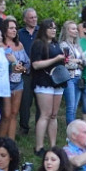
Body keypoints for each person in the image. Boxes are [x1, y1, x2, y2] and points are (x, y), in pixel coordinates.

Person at [30, 19, 68, 154]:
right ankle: (39, 147)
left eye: (55, 28)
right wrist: (56, 59)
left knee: (53, 115)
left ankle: (53, 146)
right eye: (50, 28)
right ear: (44, 29)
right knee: (45, 114)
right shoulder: (38, 44)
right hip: (43, 81)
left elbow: (60, 60)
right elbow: (35, 64)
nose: (53, 30)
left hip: (58, 81)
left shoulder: (56, 44)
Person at [0, 18, 29, 140]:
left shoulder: (19, 45)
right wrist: (11, 66)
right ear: (4, 30)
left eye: (15, 28)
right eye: (11, 28)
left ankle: (10, 143)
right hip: (5, 82)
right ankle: (0, 142)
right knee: (5, 115)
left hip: (18, 82)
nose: (14, 30)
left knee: (14, 114)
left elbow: (27, 63)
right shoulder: (0, 46)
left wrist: (23, 69)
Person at [18, 8, 39, 135]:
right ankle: (24, 127)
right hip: (25, 72)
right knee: (25, 101)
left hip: (40, 71)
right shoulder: (19, 33)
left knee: (40, 101)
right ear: (25, 19)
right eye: (31, 17)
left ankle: (39, 126)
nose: (34, 19)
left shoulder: (41, 31)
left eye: (35, 17)